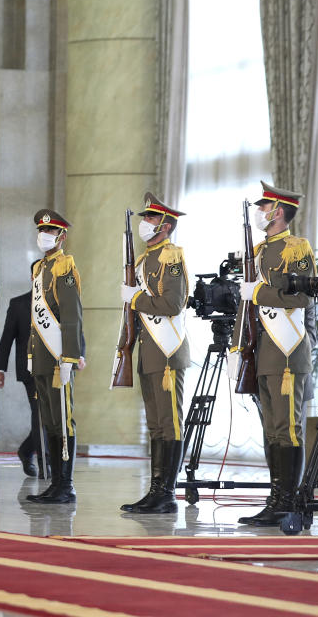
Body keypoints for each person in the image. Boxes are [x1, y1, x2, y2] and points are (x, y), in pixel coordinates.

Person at [229, 182, 314, 526]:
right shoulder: (259, 250)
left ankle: (287, 501)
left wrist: (260, 291)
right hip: (262, 352)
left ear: (278, 211)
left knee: (286, 428)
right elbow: (245, 309)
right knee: (271, 431)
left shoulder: (296, 248)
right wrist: (237, 348)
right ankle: (275, 498)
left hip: (287, 351)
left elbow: (302, 297)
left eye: (264, 207)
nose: (260, 212)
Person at [119, 193, 190, 514]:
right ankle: (155, 489)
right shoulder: (146, 259)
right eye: (145, 218)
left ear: (165, 225)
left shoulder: (170, 257)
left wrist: (136, 299)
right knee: (156, 425)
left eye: (150, 219)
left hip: (166, 351)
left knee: (169, 422)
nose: (144, 224)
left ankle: (167, 492)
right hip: (149, 352)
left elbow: (172, 305)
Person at [25, 210, 85, 504]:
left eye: (50, 231)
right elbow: (35, 319)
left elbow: (72, 316)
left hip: (59, 356)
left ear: (62, 237)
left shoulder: (64, 268)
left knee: (63, 419)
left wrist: (71, 356)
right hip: (41, 357)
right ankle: (55, 482)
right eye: (41, 229)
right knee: (48, 420)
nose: (44, 235)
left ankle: (66, 485)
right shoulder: (39, 268)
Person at [0, 261, 47, 478]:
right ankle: (45, 464)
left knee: (49, 417)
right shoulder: (19, 304)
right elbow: (6, 339)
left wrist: (78, 354)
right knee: (40, 415)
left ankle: (26, 450)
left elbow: (74, 327)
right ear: (32, 277)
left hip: (54, 369)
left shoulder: (60, 302)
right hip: (30, 370)